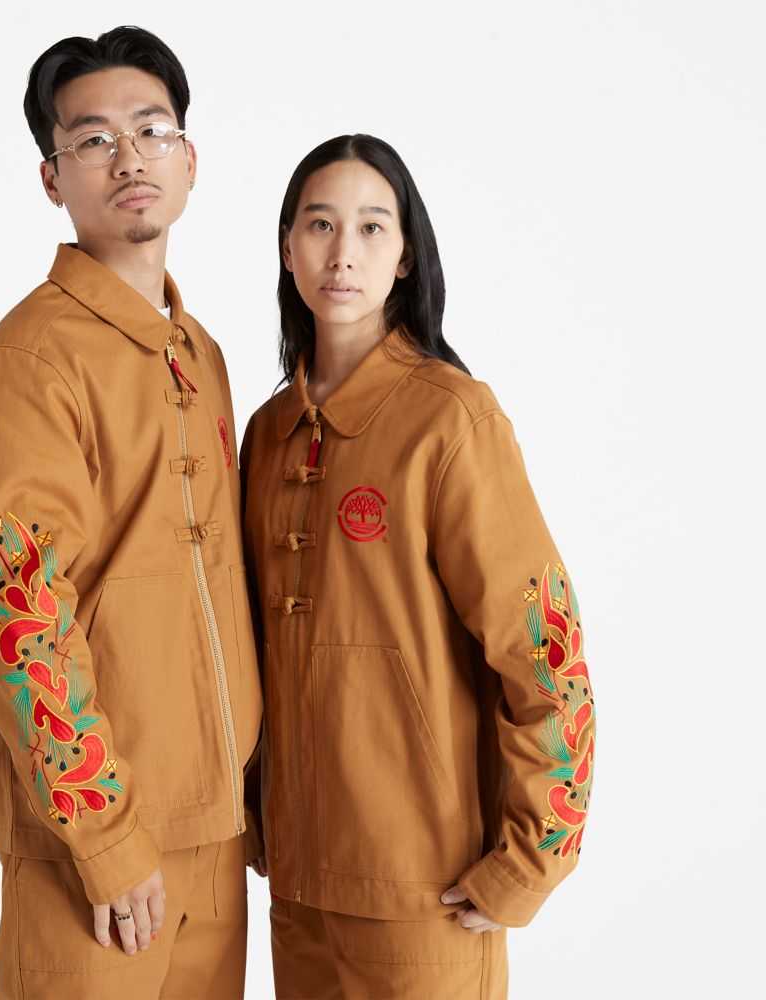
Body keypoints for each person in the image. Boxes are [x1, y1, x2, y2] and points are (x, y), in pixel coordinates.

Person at [0, 27, 263, 999]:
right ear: (52, 178)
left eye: (151, 130)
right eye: (92, 140)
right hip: (96, 855)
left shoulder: (199, 352)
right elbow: (19, 614)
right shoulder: (33, 364)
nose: (129, 159)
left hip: (218, 836)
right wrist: (105, 836)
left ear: (190, 159)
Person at [240, 134, 596, 999]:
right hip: (296, 888)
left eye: (372, 227)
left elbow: (544, 648)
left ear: (405, 256)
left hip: (428, 890)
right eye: (320, 225)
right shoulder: (267, 434)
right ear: (287, 248)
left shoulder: (451, 420)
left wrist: (528, 862)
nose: (343, 253)